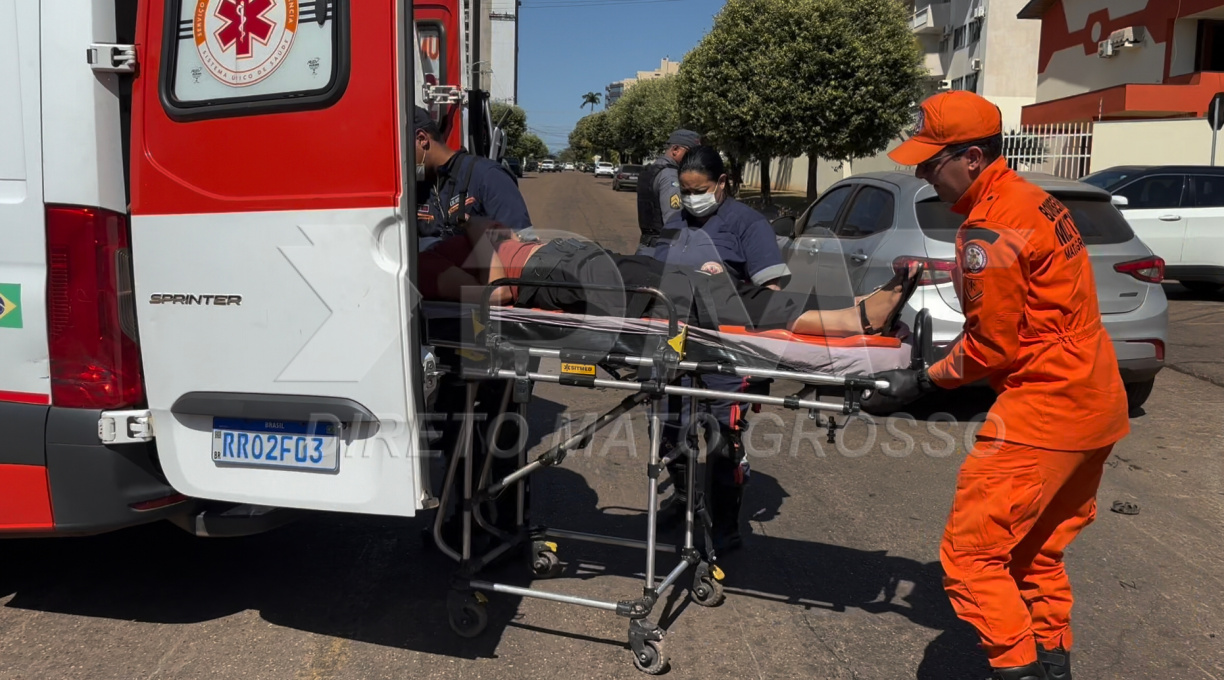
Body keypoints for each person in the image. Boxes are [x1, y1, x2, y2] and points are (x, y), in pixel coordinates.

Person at [870, 91, 1130, 680]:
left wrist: (919, 380)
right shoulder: (1035, 201)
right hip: (1095, 403)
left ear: (973, 157)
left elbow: (992, 348)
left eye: (931, 162)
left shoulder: (989, 230)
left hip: (1044, 411)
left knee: (968, 560)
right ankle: (1053, 662)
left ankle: (1020, 671)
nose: (921, 174)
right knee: (1036, 554)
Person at [418, 218, 920, 337]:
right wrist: (483, 240)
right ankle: (854, 318)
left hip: (577, 259)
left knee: (705, 286)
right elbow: (499, 291)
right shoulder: (426, 262)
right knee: (698, 301)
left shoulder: (451, 238)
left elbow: (488, 236)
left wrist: (479, 235)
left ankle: (850, 307)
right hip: (552, 273)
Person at [650, 146, 793, 553]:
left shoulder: (746, 224)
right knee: (670, 428)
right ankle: (683, 498)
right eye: (685, 189)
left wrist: (762, 360)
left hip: (727, 351)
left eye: (701, 189)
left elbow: (771, 292)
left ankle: (724, 521)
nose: (693, 197)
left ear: (722, 183)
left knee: (721, 436)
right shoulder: (676, 222)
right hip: (676, 343)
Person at [413, 105, 535, 550]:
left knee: (496, 438)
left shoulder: (487, 177)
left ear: (423, 140)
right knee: (453, 434)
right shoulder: (419, 186)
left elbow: (519, 252)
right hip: (444, 336)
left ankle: (501, 534)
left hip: (494, 334)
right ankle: (457, 528)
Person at [414, 106, 533, 245]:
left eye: (401, 149)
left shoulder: (488, 176)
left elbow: (523, 246)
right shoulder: (413, 190)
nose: (398, 160)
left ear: (422, 139)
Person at [636, 129, 702, 253]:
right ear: (675, 149)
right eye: (691, 153)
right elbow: (673, 221)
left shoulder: (651, 169)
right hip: (662, 251)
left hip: (646, 247)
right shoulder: (671, 175)